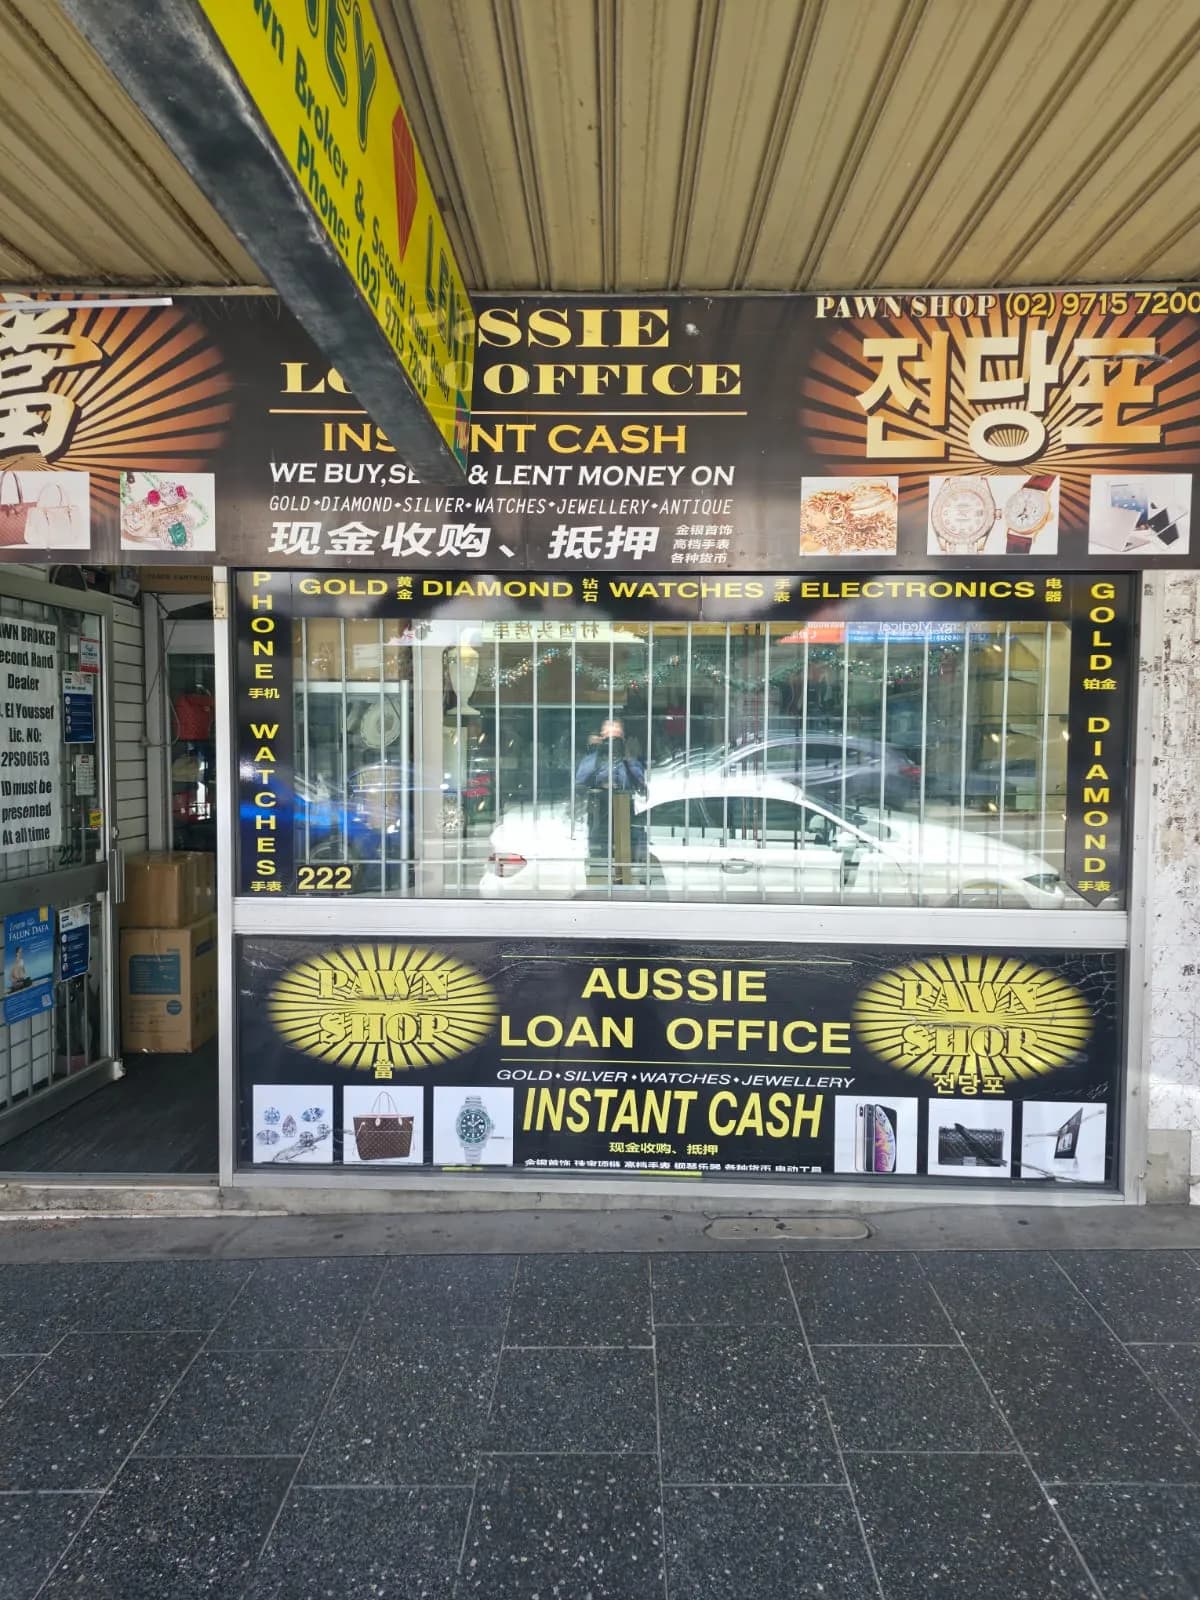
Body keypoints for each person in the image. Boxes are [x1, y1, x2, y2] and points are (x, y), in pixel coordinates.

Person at [576, 720, 647, 870]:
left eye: (616, 740)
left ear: (623, 740)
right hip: (599, 812)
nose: (612, 744)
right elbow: (580, 784)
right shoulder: (592, 761)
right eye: (609, 740)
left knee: (626, 854)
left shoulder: (629, 762)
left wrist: (628, 756)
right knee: (600, 854)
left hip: (624, 811)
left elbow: (641, 785)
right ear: (602, 739)